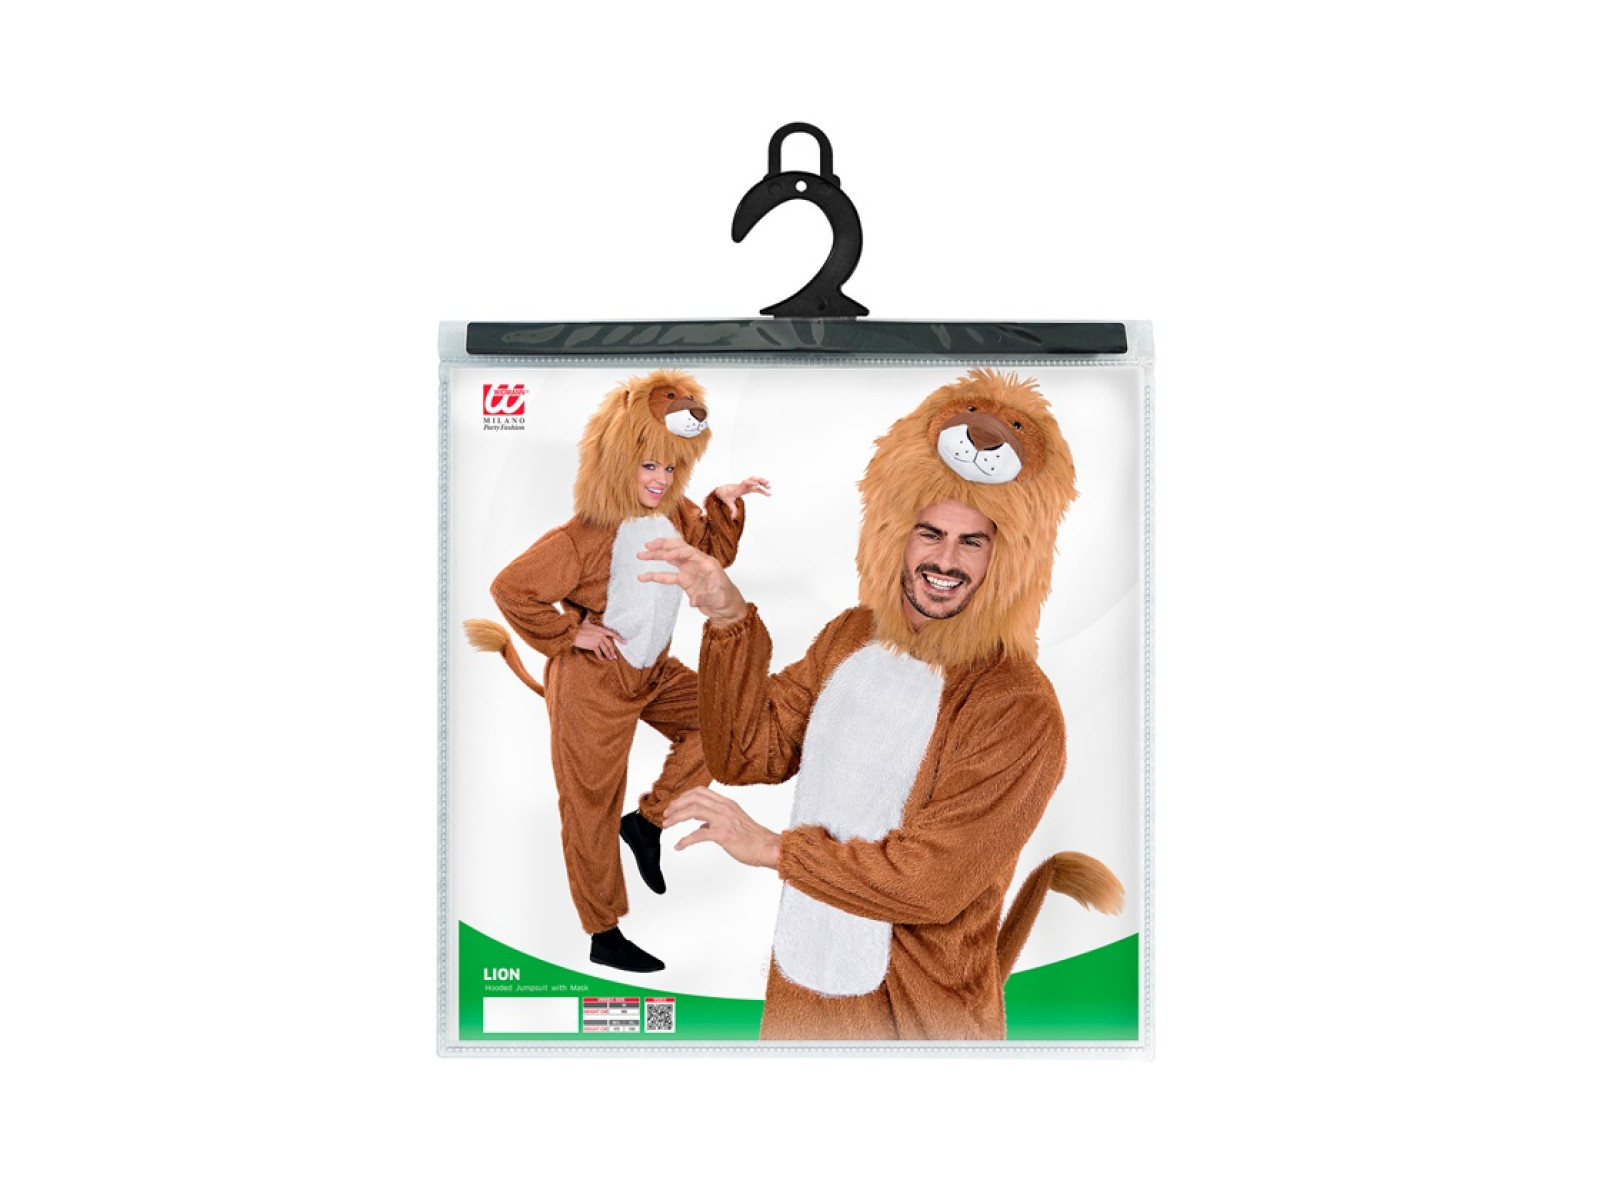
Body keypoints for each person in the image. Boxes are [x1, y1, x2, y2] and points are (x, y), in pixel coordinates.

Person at [638, 369, 1119, 1038]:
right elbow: (748, 753)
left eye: (973, 542)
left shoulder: (1018, 707)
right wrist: (727, 617)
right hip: (799, 994)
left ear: (1007, 560)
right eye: (930, 533)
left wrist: (775, 849)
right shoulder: (851, 635)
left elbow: (931, 881)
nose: (945, 561)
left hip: (920, 1025)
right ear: (895, 533)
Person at [482, 368, 769, 973]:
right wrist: (571, 633)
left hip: (651, 673)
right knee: (588, 804)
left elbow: (710, 559)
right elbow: (510, 588)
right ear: (618, 462)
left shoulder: (678, 512)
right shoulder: (582, 536)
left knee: (722, 721)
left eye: (670, 467)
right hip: (592, 682)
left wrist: (723, 506)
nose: (660, 479)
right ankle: (603, 932)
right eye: (648, 466)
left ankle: (647, 821)